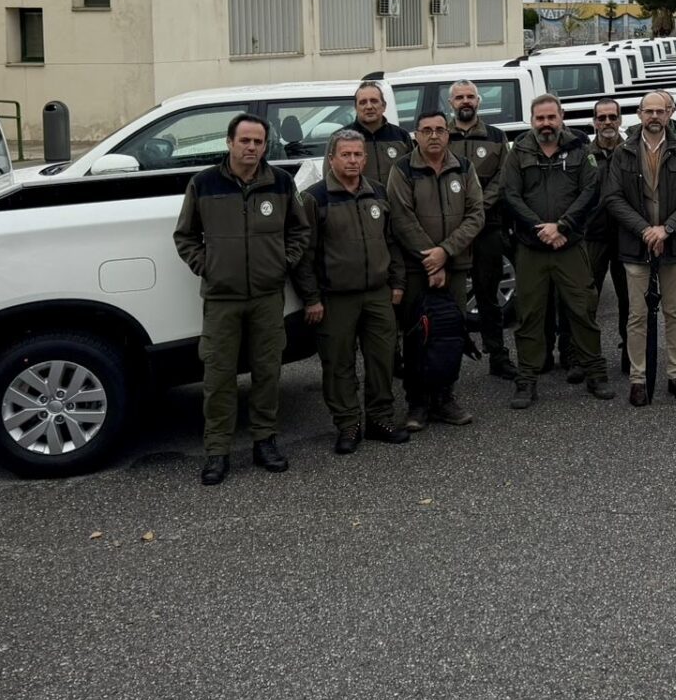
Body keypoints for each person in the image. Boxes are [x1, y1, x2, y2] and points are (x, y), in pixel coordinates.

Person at [173, 113, 309, 486]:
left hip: (267, 297)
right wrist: (208, 266)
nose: (251, 147)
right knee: (219, 376)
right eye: (245, 141)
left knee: (267, 372)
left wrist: (283, 263)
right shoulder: (204, 184)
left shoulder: (280, 184)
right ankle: (217, 451)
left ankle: (264, 441)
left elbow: (299, 230)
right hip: (221, 299)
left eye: (258, 142)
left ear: (266, 145)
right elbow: (184, 235)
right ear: (229, 142)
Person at [294, 130, 410, 452]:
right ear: (331, 158)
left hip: (377, 294)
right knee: (338, 365)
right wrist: (312, 298)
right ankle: (348, 425)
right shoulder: (315, 198)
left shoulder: (378, 193)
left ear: (365, 158)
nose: (353, 160)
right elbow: (305, 255)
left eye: (358, 155)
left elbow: (391, 241)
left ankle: (380, 419)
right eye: (345, 154)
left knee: (382, 360)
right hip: (335, 298)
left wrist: (397, 283)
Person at [498, 95, 613, 409]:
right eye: (540, 118)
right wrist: (541, 228)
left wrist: (562, 227)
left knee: (582, 310)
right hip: (532, 248)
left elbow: (591, 192)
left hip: (569, 246)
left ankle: (595, 373)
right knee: (530, 315)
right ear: (532, 120)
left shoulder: (580, 149)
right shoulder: (519, 151)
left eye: (551, 117)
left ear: (561, 117)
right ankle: (526, 380)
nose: (546, 124)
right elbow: (510, 195)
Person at [386, 108, 486, 430]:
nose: (433, 136)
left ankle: (445, 397)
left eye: (439, 130)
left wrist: (445, 252)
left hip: (454, 266)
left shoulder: (464, 168)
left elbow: (476, 215)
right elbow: (401, 219)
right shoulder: (402, 170)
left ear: (448, 134)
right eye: (426, 130)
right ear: (416, 134)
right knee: (417, 335)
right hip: (417, 269)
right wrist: (430, 260)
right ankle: (417, 402)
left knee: (449, 334)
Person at [600, 91, 676, 406]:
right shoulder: (623, 151)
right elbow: (613, 197)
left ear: (670, 113)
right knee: (637, 316)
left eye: (660, 111)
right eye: (648, 111)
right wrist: (645, 230)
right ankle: (638, 379)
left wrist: (667, 228)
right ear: (639, 114)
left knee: (675, 312)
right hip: (636, 244)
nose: (654, 117)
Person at [446, 80, 517, 379]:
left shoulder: (496, 137)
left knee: (487, 296)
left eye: (470, 97)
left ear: (478, 102)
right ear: (451, 103)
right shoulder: (439, 135)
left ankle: (497, 355)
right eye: (459, 97)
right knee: (448, 298)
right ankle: (447, 359)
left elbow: (503, 180)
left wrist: (476, 212)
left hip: (487, 228)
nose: (465, 102)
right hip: (449, 232)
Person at [584, 98, 634, 376]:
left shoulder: (631, 151)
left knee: (629, 300)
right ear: (594, 122)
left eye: (611, 117)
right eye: (601, 118)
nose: (606, 123)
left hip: (627, 236)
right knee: (587, 299)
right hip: (593, 236)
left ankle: (630, 355)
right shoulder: (583, 154)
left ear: (620, 120)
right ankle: (587, 358)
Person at [347, 80, 412, 189]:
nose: (369, 106)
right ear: (356, 108)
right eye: (363, 102)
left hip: (395, 204)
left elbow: (413, 176)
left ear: (384, 106)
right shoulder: (342, 139)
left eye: (374, 101)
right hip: (359, 204)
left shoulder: (401, 136)